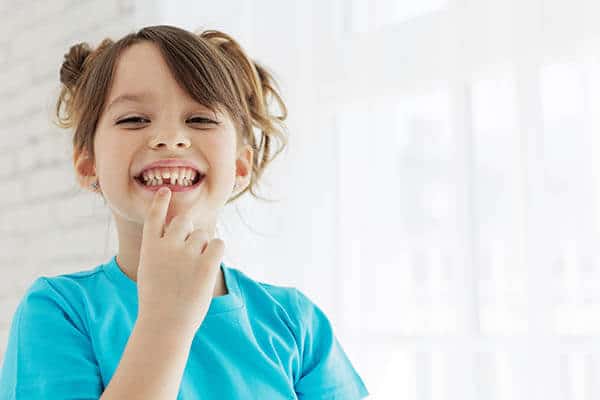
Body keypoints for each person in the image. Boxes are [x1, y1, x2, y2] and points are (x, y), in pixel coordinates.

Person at [0, 25, 369, 399]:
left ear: (241, 166)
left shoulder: (297, 323)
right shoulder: (58, 312)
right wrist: (165, 321)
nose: (170, 137)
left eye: (201, 119)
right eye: (134, 119)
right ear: (87, 164)